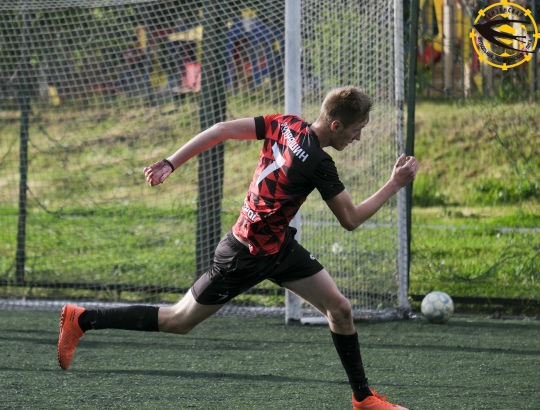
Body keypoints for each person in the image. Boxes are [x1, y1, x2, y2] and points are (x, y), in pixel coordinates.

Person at [57, 86, 418, 410]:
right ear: (336, 126)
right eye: (357, 130)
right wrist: (394, 183)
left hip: (276, 246)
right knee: (178, 320)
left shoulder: (286, 123)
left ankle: (363, 398)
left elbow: (221, 130)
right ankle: (83, 318)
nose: (358, 137)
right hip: (244, 255)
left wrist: (171, 162)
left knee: (339, 309)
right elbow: (350, 219)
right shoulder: (319, 163)